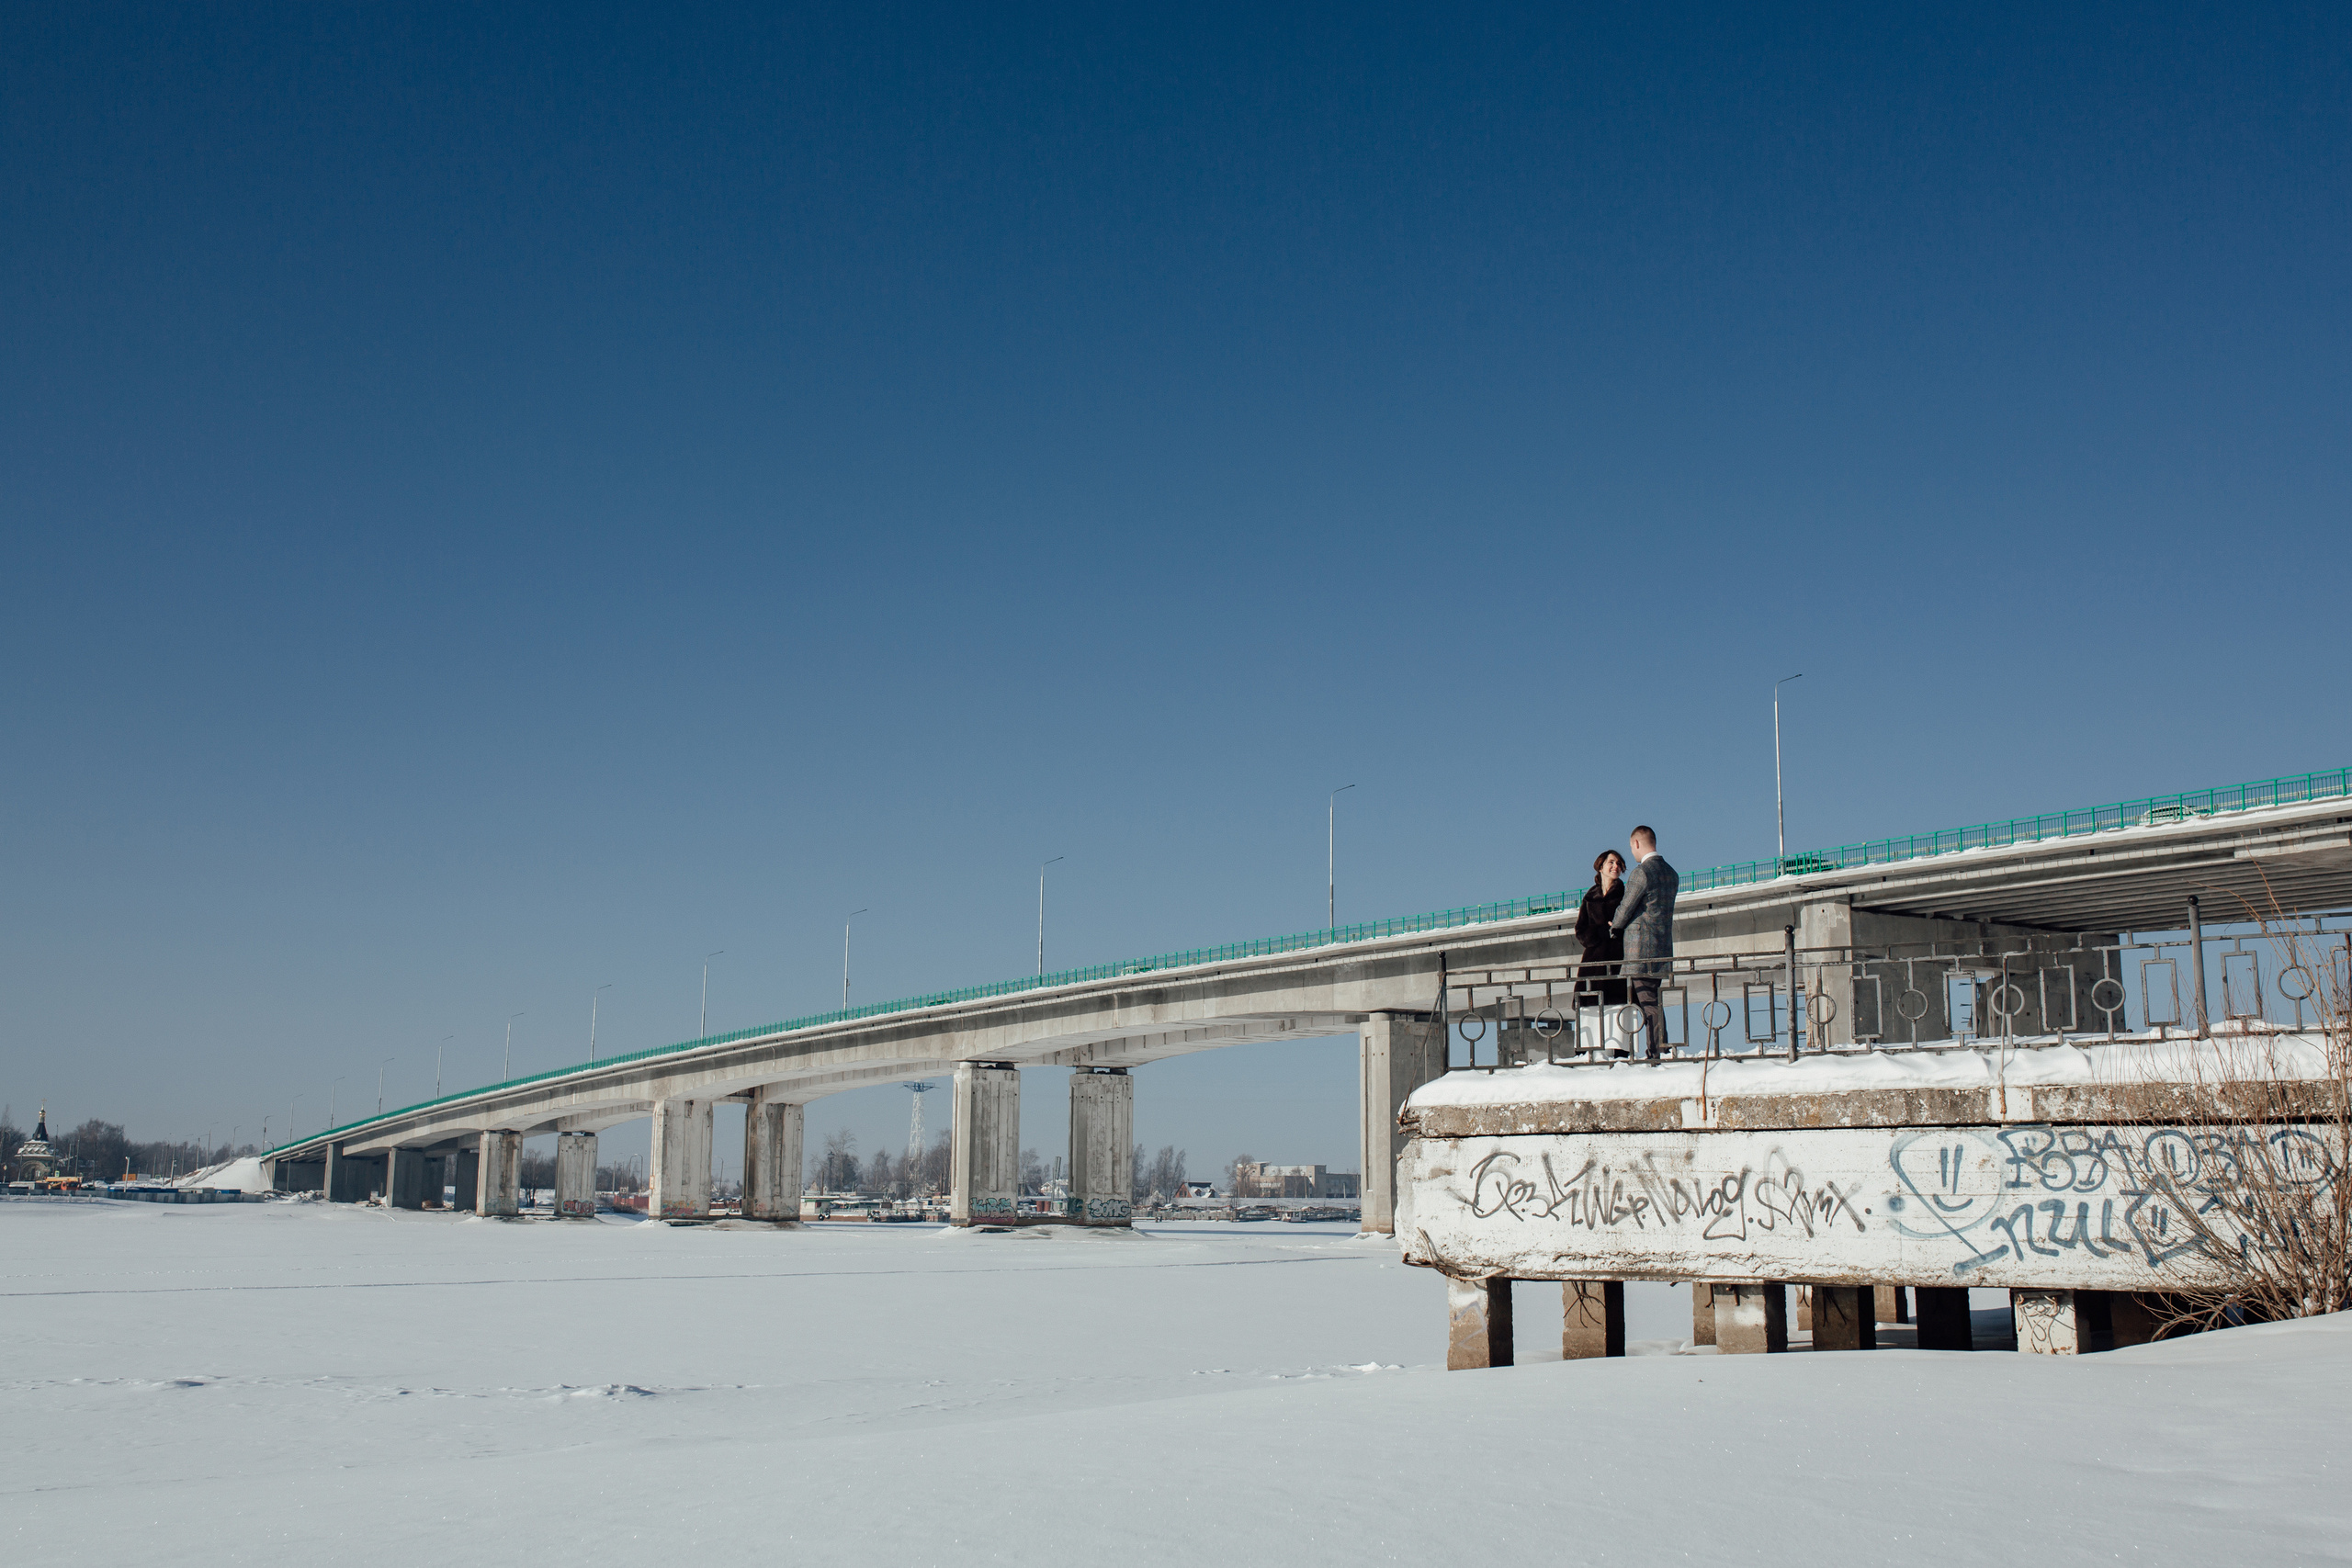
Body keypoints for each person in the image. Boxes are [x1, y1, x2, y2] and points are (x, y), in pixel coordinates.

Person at [1609, 825, 1679, 1059]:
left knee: (1648, 1003)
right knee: (1652, 999)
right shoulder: (1671, 873)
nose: (1632, 853)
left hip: (1640, 950)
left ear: (1637, 844)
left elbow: (1626, 907)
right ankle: (1659, 1047)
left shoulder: (1641, 872)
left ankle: (1656, 1051)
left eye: (1631, 848)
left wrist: (1615, 925)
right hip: (1661, 948)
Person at [1574, 851, 1628, 1012]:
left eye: (1619, 863)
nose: (1615, 866)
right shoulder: (1590, 896)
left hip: (1616, 960)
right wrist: (1602, 931)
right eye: (1611, 862)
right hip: (1592, 962)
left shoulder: (1625, 894)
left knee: (1616, 1010)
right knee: (1588, 1010)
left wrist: (1616, 931)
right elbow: (1580, 930)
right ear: (1601, 866)